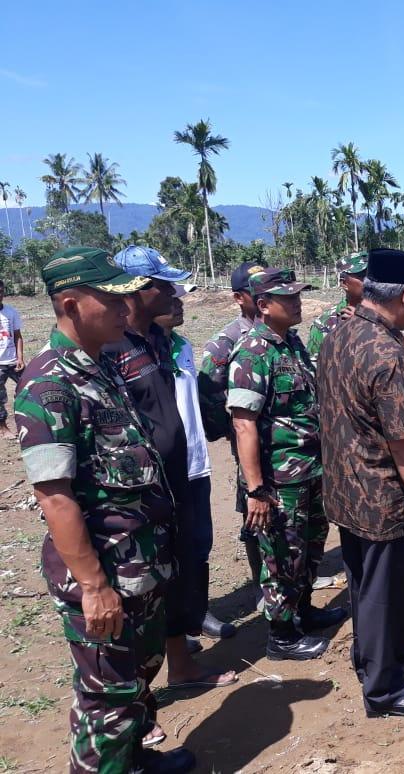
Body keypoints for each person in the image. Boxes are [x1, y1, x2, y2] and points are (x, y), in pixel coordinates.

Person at [15, 246, 195, 773]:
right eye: (111, 299)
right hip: (105, 572)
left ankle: (136, 761)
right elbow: (55, 496)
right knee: (106, 703)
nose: (126, 308)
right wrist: (94, 586)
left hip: (140, 564)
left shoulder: (104, 365)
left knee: (136, 680)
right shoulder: (48, 385)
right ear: (70, 304)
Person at [105, 246, 237, 717]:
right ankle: (134, 702)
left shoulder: (165, 344)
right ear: (135, 292)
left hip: (188, 475)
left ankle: (180, 665)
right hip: (143, 491)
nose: (175, 293)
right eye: (164, 285)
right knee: (142, 588)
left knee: (188, 561)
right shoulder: (110, 350)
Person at [320, 247, 404, 717]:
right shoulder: (389, 354)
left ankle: (373, 655)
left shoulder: (338, 334)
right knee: (385, 588)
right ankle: (384, 689)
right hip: (382, 495)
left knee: (362, 583)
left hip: (345, 488)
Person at [227, 268, 347, 660]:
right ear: (263, 305)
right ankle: (281, 636)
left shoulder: (291, 344)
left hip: (310, 471)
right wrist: (257, 490)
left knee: (309, 548)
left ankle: (305, 611)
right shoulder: (252, 353)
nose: (297, 303)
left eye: (298, 296)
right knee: (281, 556)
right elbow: (244, 425)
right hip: (279, 480)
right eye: (288, 298)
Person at [154, 282, 236, 641]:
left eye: (179, 297)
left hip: (194, 463)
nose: (178, 304)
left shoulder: (182, 346)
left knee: (198, 542)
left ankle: (197, 613)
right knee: (167, 550)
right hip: (161, 469)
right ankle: (173, 628)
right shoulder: (130, 350)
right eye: (169, 298)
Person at [197, 261, 265, 606]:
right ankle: (261, 580)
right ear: (240, 298)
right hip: (247, 439)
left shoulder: (281, 329)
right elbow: (208, 392)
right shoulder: (227, 341)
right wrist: (230, 432)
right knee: (254, 506)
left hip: (285, 444)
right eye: (256, 290)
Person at [306, 250, 367, 369]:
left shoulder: (389, 316)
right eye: (363, 276)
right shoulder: (325, 323)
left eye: (373, 275)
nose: (370, 281)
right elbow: (314, 369)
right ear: (344, 283)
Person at [0, 279, 25, 439]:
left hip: (14, 361)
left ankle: (29, 419)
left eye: (1, 292)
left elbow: (17, 336)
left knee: (30, 387)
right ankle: (3, 428)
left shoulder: (11, 312)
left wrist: (20, 357)